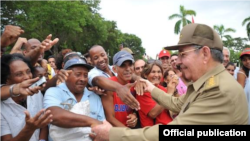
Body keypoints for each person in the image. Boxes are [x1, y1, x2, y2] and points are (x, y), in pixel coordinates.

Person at [91, 23, 249, 141]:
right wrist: (151, 88)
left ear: (205, 53)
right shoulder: (208, 83)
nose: (178, 61)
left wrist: (111, 134)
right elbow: (178, 104)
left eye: (182, 54)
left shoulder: (218, 91)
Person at [43, 58, 105, 136]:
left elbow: (102, 127)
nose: (82, 79)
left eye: (85, 75)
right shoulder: (53, 92)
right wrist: (92, 122)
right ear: (66, 75)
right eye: (78, 74)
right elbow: (53, 115)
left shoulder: (94, 97)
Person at [0, 53, 52, 141]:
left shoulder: (36, 92)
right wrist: (29, 129)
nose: (27, 77)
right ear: (7, 79)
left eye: (28, 71)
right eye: (19, 74)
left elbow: (43, 123)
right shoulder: (2, 106)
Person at [101, 51, 137, 128]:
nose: (128, 69)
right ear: (114, 69)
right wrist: (130, 135)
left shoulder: (134, 84)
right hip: (116, 133)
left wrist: (134, 115)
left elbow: (135, 109)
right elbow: (110, 118)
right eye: (123, 65)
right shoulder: (109, 85)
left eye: (130, 64)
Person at [137, 62, 172, 127]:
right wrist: (169, 94)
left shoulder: (163, 89)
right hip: (153, 133)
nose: (156, 75)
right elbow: (153, 113)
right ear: (145, 75)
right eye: (153, 72)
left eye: (159, 72)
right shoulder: (142, 91)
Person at [237, 48, 250, 124]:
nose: (247, 62)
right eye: (244, 60)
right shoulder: (242, 73)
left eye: (249, 58)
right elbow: (240, 91)